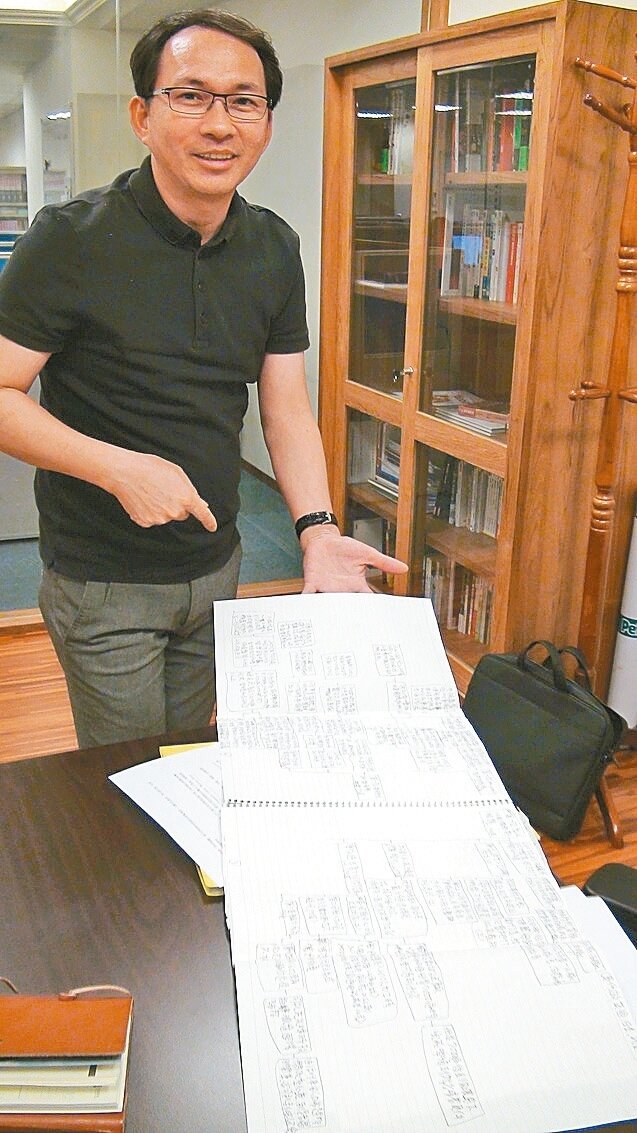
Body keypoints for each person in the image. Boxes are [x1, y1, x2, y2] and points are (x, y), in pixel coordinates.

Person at [0, 9, 407, 748]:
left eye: (244, 101)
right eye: (190, 96)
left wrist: (316, 530)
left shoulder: (273, 247)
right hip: (103, 579)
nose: (220, 124)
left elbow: (285, 409)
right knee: (127, 779)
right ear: (142, 116)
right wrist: (120, 469)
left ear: (267, 124)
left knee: (189, 756)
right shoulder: (69, 241)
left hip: (219, 564)